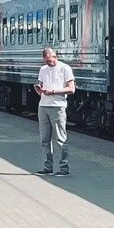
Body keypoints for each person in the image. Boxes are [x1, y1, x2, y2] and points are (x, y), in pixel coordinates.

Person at [36, 47, 76, 176]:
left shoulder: (65, 68)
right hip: (43, 106)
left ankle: (64, 168)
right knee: (44, 139)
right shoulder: (43, 69)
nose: (49, 63)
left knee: (60, 139)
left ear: (55, 56)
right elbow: (40, 85)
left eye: (50, 60)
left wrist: (53, 91)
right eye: (46, 61)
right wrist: (40, 90)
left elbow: (71, 89)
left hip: (58, 107)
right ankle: (48, 167)